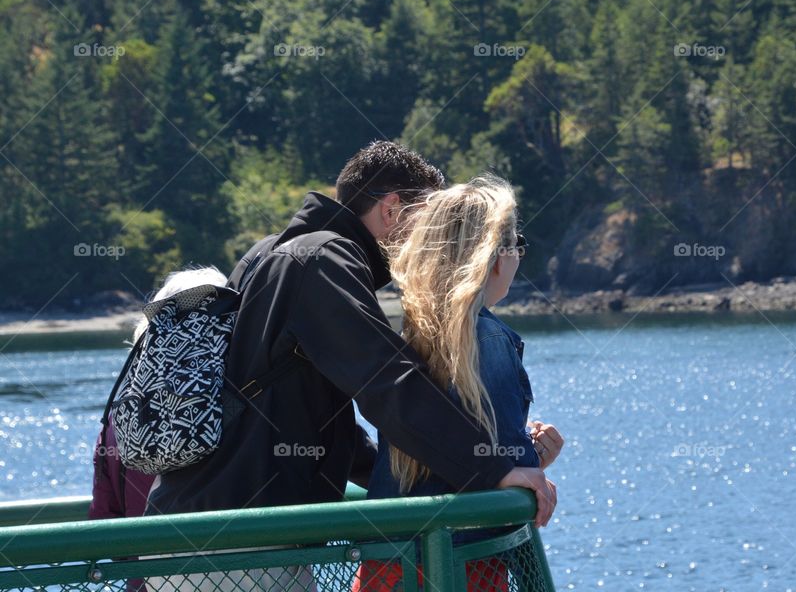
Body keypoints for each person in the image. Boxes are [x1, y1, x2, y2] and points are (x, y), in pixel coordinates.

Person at [145, 142, 556, 527]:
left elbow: (306, 410)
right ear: (392, 208)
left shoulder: (273, 252)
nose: (434, 235)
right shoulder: (321, 261)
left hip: (196, 515)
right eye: (428, 216)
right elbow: (387, 381)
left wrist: (401, 474)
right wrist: (492, 470)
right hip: (240, 536)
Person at [353, 176, 564, 592]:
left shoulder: (394, 321)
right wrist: (536, 458)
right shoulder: (489, 339)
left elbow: (431, 444)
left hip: (385, 567)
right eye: (516, 243)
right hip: (463, 571)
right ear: (495, 257)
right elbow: (506, 473)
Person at [90, 267, 227, 592]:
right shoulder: (239, 408)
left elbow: (105, 528)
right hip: (243, 578)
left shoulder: (119, 418)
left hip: (148, 584)